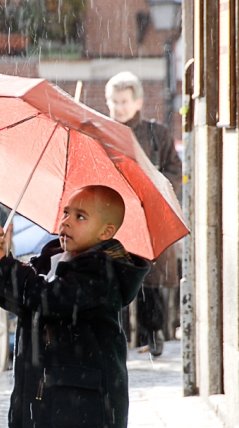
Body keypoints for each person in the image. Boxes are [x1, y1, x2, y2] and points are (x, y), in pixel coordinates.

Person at [0, 185, 150, 428]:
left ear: (106, 231)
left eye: (80, 216)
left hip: (81, 402)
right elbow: (24, 301)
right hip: (40, 394)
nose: (67, 221)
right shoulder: (52, 258)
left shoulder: (101, 271)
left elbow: (53, 299)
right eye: (66, 213)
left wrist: (7, 267)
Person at [104, 71, 182, 356]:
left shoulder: (156, 133)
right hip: (114, 217)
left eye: (125, 101)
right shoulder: (100, 133)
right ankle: (118, 337)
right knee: (114, 278)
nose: (119, 107)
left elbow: (175, 170)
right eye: (114, 101)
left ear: (138, 102)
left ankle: (153, 334)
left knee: (151, 280)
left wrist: (155, 185)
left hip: (149, 216)